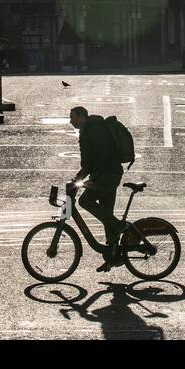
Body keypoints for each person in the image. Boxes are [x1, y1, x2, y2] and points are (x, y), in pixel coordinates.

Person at [69, 106, 124, 272]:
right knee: (106, 215)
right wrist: (81, 177)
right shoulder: (90, 129)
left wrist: (85, 179)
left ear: (82, 116)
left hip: (106, 174)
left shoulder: (92, 131)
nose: (70, 121)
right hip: (108, 174)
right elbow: (91, 162)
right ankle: (113, 257)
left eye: (72, 117)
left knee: (84, 201)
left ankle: (118, 225)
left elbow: (96, 158)